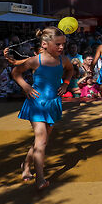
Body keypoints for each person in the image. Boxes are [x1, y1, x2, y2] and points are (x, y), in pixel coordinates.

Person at [11, 27, 74, 190]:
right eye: (58, 44)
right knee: (42, 140)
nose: (61, 47)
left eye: (63, 44)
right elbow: (16, 72)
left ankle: (25, 165)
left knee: (40, 141)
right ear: (45, 44)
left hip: (53, 104)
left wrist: (66, 84)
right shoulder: (35, 60)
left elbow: (70, 70)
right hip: (37, 104)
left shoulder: (64, 60)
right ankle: (40, 179)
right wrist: (25, 86)